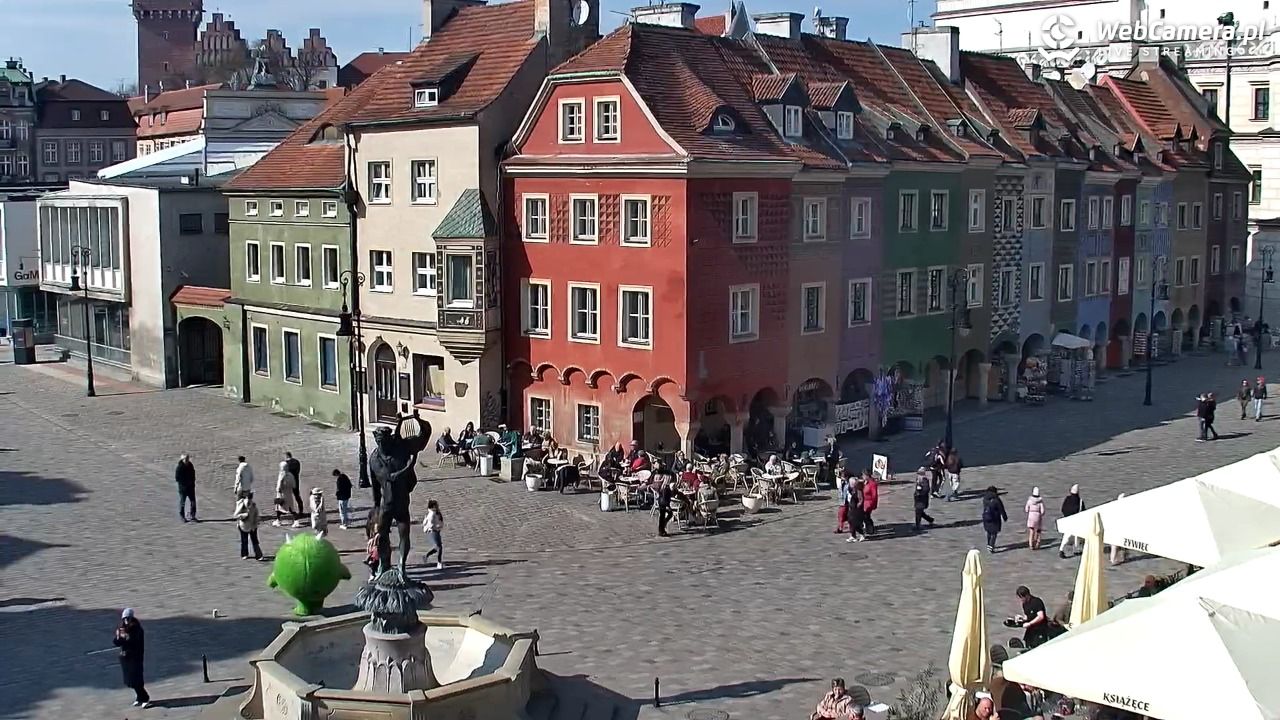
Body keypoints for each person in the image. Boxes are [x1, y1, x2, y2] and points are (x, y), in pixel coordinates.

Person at [114, 608, 150, 708]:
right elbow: (117, 643)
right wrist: (118, 637)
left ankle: (145, 698)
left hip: (135, 657)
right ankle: (139, 697)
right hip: (126, 658)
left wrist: (126, 637)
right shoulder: (122, 628)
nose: (126, 621)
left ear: (131, 618)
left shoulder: (137, 628)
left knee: (136, 680)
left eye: (127, 618)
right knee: (130, 680)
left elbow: (134, 642)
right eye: (124, 619)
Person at [234, 490, 264, 560]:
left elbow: (256, 514)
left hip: (252, 526)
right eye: (248, 497)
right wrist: (244, 515)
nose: (249, 499)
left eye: (250, 497)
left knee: (255, 540)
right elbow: (236, 515)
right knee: (244, 541)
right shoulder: (241, 504)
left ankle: (258, 555)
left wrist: (256, 521)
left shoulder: (253, 505)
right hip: (243, 525)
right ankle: (244, 554)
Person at [1059, 484, 1085, 558]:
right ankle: (1076, 549)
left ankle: (1061, 549)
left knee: (1067, 535)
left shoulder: (1067, 499)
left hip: (1068, 520)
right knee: (1078, 535)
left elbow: (1063, 509)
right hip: (1076, 521)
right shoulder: (1080, 501)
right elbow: (1083, 511)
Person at [273, 460, 301, 527]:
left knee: (279, 508)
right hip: (289, 494)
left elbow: (279, 486)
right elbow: (294, 485)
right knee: (291, 508)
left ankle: (278, 521)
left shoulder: (281, 476)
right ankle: (296, 521)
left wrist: (278, 490)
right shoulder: (291, 475)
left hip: (282, 494)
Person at [982, 485, 1008, 552]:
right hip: (995, 518)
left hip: (986, 518)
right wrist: (1005, 517)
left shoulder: (985, 499)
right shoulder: (997, 500)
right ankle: (991, 546)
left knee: (989, 532)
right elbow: (1001, 509)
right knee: (994, 533)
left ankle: (988, 544)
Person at [421, 499, 445, 570]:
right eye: (436, 505)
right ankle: (439, 562)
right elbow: (430, 524)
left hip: (436, 531)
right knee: (439, 547)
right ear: (433, 506)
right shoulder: (431, 514)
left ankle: (426, 556)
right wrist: (437, 527)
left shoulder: (436, 513)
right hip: (433, 531)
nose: (437, 506)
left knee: (438, 547)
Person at [175, 453, 198, 523]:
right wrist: (184, 484)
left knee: (193, 502)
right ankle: (182, 516)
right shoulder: (179, 467)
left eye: (188, 458)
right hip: (183, 488)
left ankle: (192, 515)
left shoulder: (190, 465)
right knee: (182, 502)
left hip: (191, 487)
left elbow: (193, 475)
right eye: (186, 459)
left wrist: (192, 483)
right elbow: (177, 478)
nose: (187, 460)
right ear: (182, 459)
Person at [846, 478, 866, 543]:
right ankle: (853, 536)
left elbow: (861, 500)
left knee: (855, 523)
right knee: (850, 522)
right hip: (852, 508)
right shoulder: (853, 489)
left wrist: (858, 505)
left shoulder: (858, 490)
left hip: (856, 510)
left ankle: (862, 534)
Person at [284, 451, 304, 518]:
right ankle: (301, 510)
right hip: (296, 480)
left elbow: (284, 473)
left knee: (289, 496)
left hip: (288, 482)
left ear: (286, 456)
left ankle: (291, 510)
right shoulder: (297, 462)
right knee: (297, 496)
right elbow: (298, 471)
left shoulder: (285, 464)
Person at [1109, 493, 1127, 564]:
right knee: (1118, 545)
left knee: (1114, 546)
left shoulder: (1114, 507)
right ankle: (1115, 558)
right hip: (1118, 529)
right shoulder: (1124, 509)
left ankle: (1113, 558)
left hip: (1113, 529)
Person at [861, 469, 880, 538]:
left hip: (869, 503)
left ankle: (870, 529)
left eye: (863, 475)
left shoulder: (872, 484)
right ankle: (869, 528)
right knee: (866, 516)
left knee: (866, 516)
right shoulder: (865, 482)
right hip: (864, 502)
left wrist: (873, 504)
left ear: (867, 475)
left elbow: (874, 495)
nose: (862, 476)